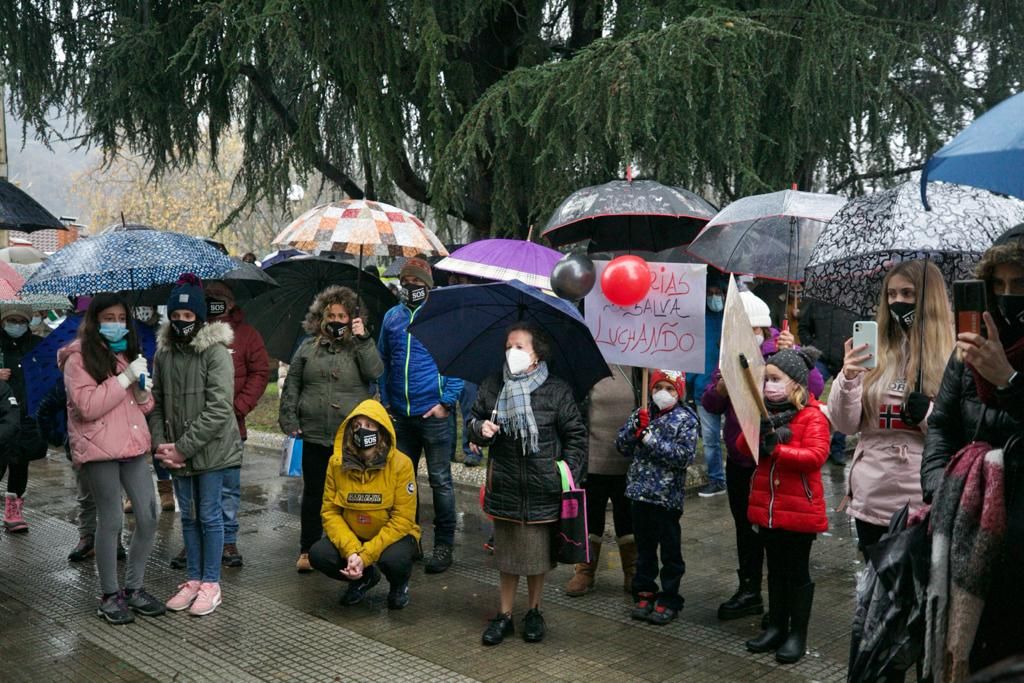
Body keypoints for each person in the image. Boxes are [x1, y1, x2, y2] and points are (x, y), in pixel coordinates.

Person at [920, 225, 1024, 673]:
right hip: (963, 527)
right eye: (998, 284)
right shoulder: (969, 348)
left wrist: (1010, 381)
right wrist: (939, 487)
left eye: (1020, 284)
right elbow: (941, 423)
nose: (1007, 295)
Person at [702, 290, 824, 623]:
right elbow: (710, 404)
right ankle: (749, 590)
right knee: (745, 529)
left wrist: (794, 351)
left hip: (775, 462)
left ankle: (780, 605)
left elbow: (813, 387)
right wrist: (722, 388)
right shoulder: (730, 355)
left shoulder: (781, 355)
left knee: (775, 535)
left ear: (761, 329)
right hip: (740, 461)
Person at [469, 322, 586, 645]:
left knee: (536, 559)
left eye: (520, 347)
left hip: (542, 487)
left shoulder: (557, 389)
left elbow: (576, 435)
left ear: (537, 354)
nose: (512, 352)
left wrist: (562, 471)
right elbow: (472, 421)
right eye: (509, 346)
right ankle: (504, 615)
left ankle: (534, 611)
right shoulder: (493, 385)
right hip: (506, 485)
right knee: (506, 559)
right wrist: (481, 429)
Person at [828, 260, 952, 558]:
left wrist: (927, 414)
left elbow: (962, 432)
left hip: (924, 498)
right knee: (876, 592)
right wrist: (848, 379)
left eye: (908, 294)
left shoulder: (953, 352)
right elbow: (845, 425)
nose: (897, 302)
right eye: (891, 294)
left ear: (928, 298)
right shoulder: (875, 350)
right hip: (871, 497)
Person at [59, 293, 165, 624]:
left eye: (122, 318)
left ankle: (134, 588)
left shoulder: (126, 354)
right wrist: (124, 379)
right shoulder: (77, 359)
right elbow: (87, 407)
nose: (116, 324)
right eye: (109, 317)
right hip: (99, 448)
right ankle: (109, 594)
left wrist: (144, 390)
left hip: (132, 445)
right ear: (95, 320)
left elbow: (142, 407)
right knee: (112, 521)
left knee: (149, 514)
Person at [151, 274, 243, 617]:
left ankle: (210, 582)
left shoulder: (216, 353)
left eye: (188, 317)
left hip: (212, 451)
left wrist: (183, 448)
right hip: (177, 452)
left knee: (209, 515)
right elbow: (158, 402)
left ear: (200, 319)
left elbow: (220, 407)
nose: (181, 322)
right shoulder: (165, 354)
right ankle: (192, 579)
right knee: (187, 516)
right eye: (176, 316)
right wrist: (162, 445)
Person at [279, 285, 383, 573]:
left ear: (352, 317)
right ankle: (308, 548)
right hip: (314, 432)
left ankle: (349, 549)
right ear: (321, 317)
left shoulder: (360, 344)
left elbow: (376, 373)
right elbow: (293, 385)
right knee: (313, 493)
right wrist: (289, 419)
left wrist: (363, 340)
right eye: (331, 314)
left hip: (349, 437)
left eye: (342, 315)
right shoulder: (308, 346)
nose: (336, 320)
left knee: (349, 494)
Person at [167, 280, 269, 570]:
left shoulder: (247, 335)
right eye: (208, 299)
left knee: (227, 487)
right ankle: (194, 542)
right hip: (192, 428)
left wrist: (238, 407)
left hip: (230, 427)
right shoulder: (189, 336)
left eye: (219, 300)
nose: (214, 305)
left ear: (231, 303)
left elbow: (260, 372)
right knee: (193, 490)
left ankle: (227, 540)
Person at [739, 347, 830, 664]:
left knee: (796, 572)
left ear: (796, 383)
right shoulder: (766, 413)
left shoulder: (813, 416)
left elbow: (816, 457)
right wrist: (754, 426)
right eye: (766, 379)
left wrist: (778, 450)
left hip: (799, 512)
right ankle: (776, 626)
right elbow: (742, 448)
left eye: (775, 379)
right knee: (774, 571)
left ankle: (797, 634)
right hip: (769, 510)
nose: (768, 386)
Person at [378, 258, 463, 573]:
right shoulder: (392, 318)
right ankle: (409, 539)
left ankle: (443, 545)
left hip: (435, 415)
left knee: (441, 481)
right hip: (401, 414)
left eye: (416, 283)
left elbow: (456, 360)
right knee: (404, 481)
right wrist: (386, 401)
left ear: (427, 285)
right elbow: (383, 359)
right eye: (406, 282)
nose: (410, 287)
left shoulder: (443, 317)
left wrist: (446, 402)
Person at [309, 400, 420, 610]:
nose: (362, 431)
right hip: (354, 535)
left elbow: (403, 519)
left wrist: (366, 555)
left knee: (394, 560)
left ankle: (399, 586)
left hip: (393, 537)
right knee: (319, 554)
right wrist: (352, 552)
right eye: (357, 426)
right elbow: (330, 512)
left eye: (370, 426)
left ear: (382, 429)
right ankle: (364, 578)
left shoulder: (401, 464)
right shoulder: (336, 464)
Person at [616, 370, 698, 625]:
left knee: (670, 550)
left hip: (666, 498)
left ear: (679, 391)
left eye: (670, 388)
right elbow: (621, 445)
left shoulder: (686, 419)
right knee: (644, 548)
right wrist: (634, 431)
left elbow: (684, 456)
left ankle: (670, 597)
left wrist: (650, 440)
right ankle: (644, 591)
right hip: (640, 494)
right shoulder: (642, 412)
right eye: (658, 387)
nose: (663, 393)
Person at [564, 365, 637, 597]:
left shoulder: (639, 364)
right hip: (593, 460)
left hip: (629, 460)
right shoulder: (587, 362)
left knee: (628, 518)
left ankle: (632, 570)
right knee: (590, 517)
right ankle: (585, 570)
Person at [124, 304, 176, 514]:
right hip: (131, 398)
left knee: (158, 444)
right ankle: (130, 494)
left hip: (156, 396)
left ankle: (166, 491)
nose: (143, 311)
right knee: (131, 448)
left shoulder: (163, 334)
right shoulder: (127, 333)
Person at [1, 304, 44, 532]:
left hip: (26, 414)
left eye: (21, 321)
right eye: (11, 320)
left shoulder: (37, 345)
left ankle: (13, 512)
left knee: (20, 462)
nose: (16, 325)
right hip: (2, 415)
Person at [696, 275, 727, 497]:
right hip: (704, 389)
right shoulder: (696, 320)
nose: (714, 297)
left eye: (718, 293)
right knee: (710, 439)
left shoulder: (732, 318)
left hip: (732, 388)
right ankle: (717, 479)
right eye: (710, 293)